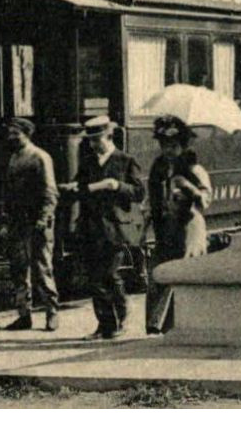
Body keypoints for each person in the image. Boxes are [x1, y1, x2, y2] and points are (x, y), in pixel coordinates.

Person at [61, 115, 145, 341]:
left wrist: (117, 185)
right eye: (90, 140)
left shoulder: (125, 160)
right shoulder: (88, 161)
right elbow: (82, 187)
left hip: (115, 229)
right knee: (95, 279)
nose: (93, 144)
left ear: (109, 135)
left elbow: (138, 192)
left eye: (97, 139)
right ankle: (106, 325)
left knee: (107, 275)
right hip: (90, 228)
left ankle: (117, 319)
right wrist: (72, 188)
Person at [144, 115, 213, 335]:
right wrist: (145, 226)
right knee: (160, 272)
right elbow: (152, 200)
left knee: (184, 272)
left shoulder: (194, 169)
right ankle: (160, 325)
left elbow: (205, 201)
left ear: (183, 146)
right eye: (165, 146)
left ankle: (185, 323)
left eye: (174, 146)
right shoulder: (159, 169)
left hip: (189, 226)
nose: (169, 150)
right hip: (165, 227)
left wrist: (188, 188)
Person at [0, 116, 59, 331]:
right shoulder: (14, 158)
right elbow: (7, 194)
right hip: (17, 223)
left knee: (42, 269)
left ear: (27, 134)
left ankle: (52, 313)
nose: (11, 137)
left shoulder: (40, 157)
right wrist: (4, 221)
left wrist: (44, 219)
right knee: (18, 271)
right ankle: (24, 315)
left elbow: (50, 192)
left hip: (37, 223)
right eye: (10, 133)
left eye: (16, 133)